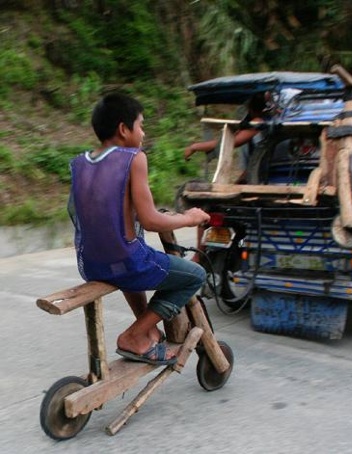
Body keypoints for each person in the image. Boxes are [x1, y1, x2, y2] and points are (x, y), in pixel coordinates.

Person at [68, 92, 210, 366]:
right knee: (195, 275)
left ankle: (146, 329)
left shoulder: (80, 163)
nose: (143, 133)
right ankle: (134, 335)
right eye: (141, 125)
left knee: (130, 257)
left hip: (91, 265)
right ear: (123, 129)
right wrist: (189, 218)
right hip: (128, 262)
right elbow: (151, 221)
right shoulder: (134, 158)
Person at [183, 92, 268, 262]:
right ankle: (202, 254)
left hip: (261, 181)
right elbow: (254, 162)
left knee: (208, 207)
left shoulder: (259, 122)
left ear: (250, 107)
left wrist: (195, 146)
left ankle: (199, 255)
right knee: (212, 207)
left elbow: (230, 142)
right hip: (257, 176)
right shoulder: (266, 123)